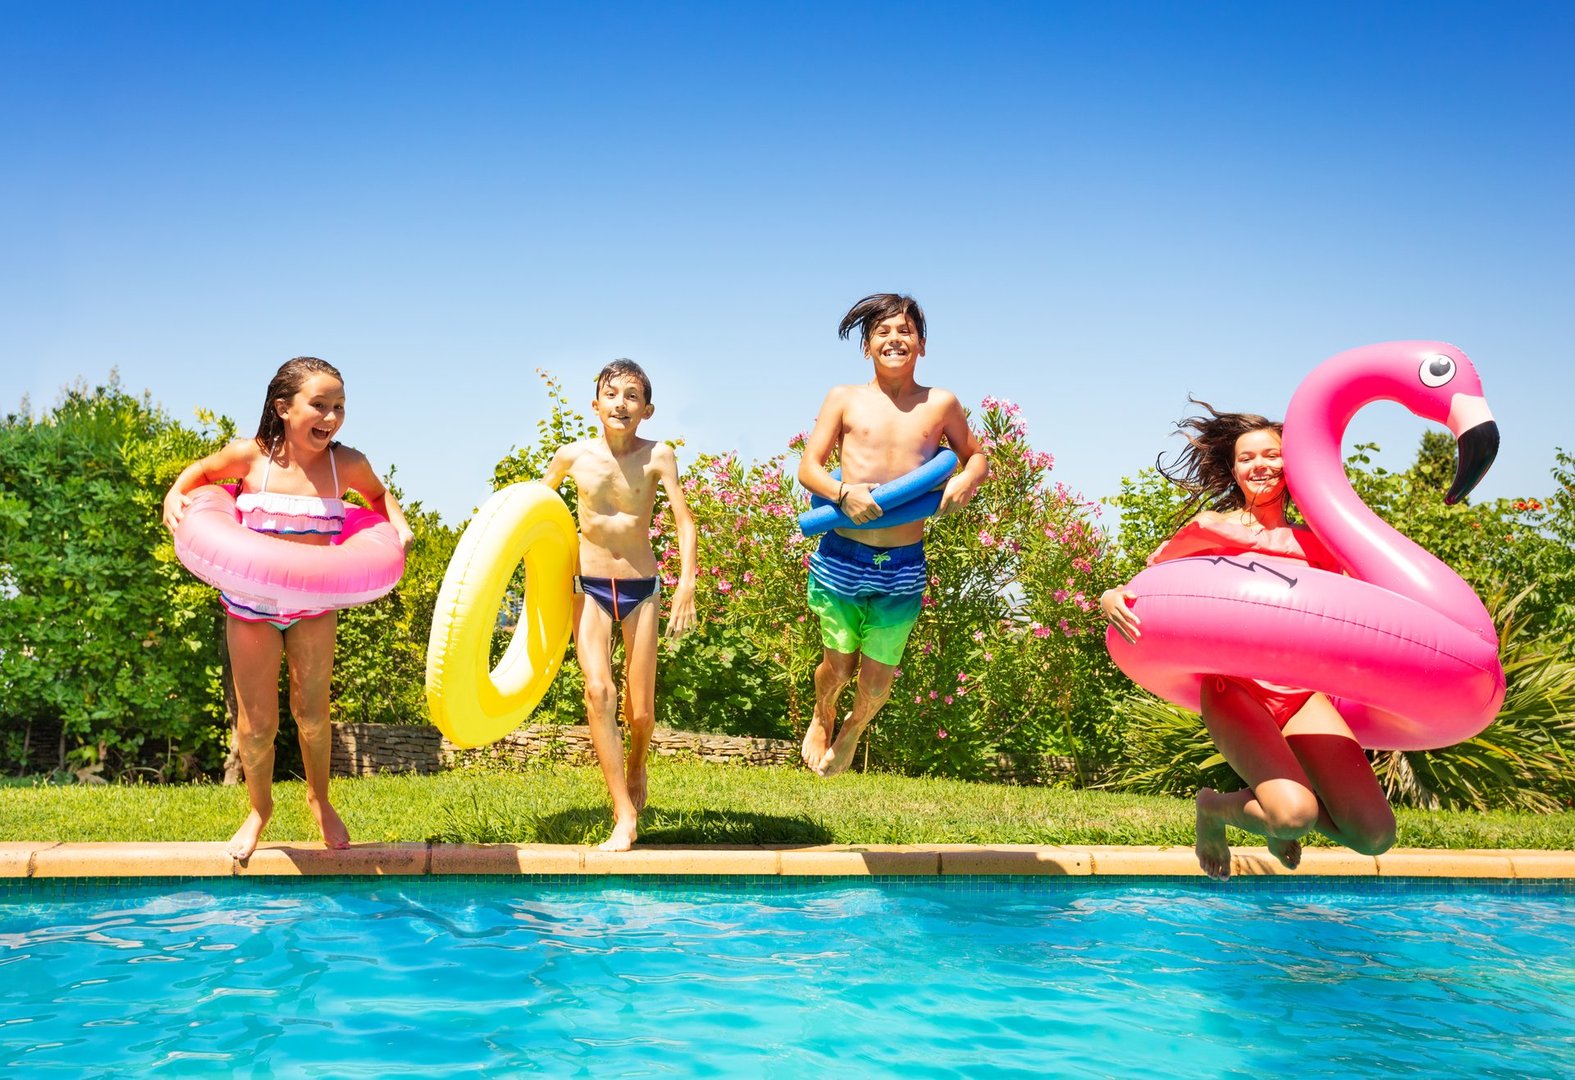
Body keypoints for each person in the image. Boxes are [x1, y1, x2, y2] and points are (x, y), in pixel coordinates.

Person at [1100, 401, 1396, 880]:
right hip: (1234, 689)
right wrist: (1110, 596)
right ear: (1234, 469)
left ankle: (1276, 814)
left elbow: (1353, 620)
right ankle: (1214, 809)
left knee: (1374, 835)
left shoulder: (1320, 545)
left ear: (1291, 462)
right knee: (1293, 815)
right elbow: (1151, 589)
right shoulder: (1210, 530)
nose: (1260, 465)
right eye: (1247, 457)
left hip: (1300, 695)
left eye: (1272, 454)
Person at [162, 357, 414, 861]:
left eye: (339, 406)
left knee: (313, 715)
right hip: (250, 607)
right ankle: (259, 809)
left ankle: (319, 800)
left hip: (314, 606)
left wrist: (399, 525)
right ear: (283, 407)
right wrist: (175, 493)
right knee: (257, 726)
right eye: (319, 405)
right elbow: (202, 471)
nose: (332, 417)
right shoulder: (252, 458)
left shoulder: (348, 464)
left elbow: (380, 498)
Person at [796, 294, 988, 777]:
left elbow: (975, 455)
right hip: (843, 550)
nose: (894, 339)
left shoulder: (940, 403)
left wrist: (965, 478)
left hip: (903, 563)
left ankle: (854, 730)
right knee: (838, 668)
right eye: (882, 332)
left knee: (877, 683)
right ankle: (823, 713)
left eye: (904, 331)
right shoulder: (844, 398)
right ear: (867, 347)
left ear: (921, 344)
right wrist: (843, 494)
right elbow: (808, 469)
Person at [542, 359, 698, 851]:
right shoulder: (571, 457)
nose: (621, 403)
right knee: (596, 691)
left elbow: (685, 522)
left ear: (646, 409)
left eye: (632, 396)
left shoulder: (659, 457)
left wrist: (686, 585)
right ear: (596, 404)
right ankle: (623, 812)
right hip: (587, 586)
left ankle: (637, 765)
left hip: (641, 588)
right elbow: (532, 511)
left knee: (641, 713)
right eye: (612, 394)